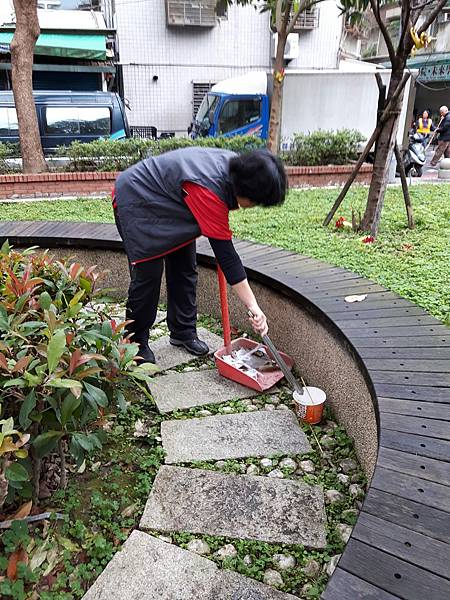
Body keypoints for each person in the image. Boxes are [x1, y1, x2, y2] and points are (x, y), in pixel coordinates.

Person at [113, 146, 287, 363]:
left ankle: (182, 331)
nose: (254, 206)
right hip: (137, 198)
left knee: (185, 267)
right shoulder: (208, 189)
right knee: (147, 276)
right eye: (257, 202)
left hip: (173, 203)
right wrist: (253, 306)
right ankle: (134, 343)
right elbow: (227, 256)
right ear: (247, 191)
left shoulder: (239, 170)